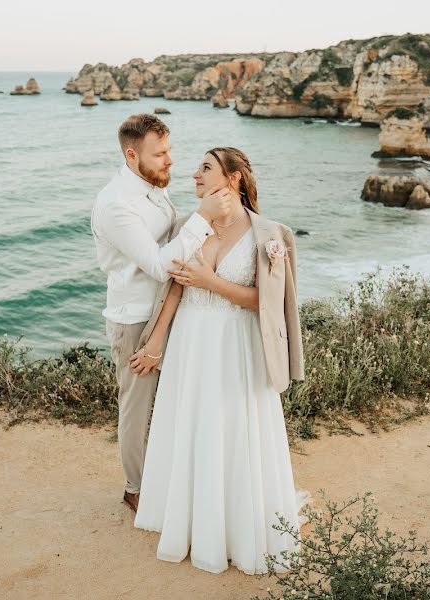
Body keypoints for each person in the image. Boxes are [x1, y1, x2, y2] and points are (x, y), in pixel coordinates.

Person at [130, 146, 308, 574]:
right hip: (191, 341)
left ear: (234, 179)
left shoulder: (268, 235)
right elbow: (174, 288)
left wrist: (211, 281)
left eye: (205, 168)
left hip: (236, 345)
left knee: (230, 428)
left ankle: (231, 528)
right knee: (191, 425)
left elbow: (267, 303)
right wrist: (155, 344)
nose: (194, 175)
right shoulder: (190, 226)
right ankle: (191, 520)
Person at [90, 115, 232, 512]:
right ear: (132, 155)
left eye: (169, 150)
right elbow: (157, 265)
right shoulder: (116, 205)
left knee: (174, 397)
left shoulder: (152, 186)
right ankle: (135, 488)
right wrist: (203, 218)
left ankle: (168, 473)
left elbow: (171, 237)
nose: (170, 160)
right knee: (136, 408)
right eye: (160, 154)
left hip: (169, 308)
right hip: (135, 317)